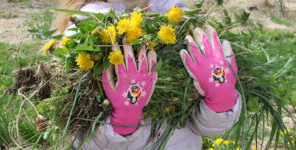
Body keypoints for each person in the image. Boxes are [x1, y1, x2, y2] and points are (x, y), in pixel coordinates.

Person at [55, 0, 242, 149]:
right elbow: (78, 136)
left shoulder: (186, 26)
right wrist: (123, 122)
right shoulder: (85, 32)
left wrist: (221, 100)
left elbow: (207, 128)